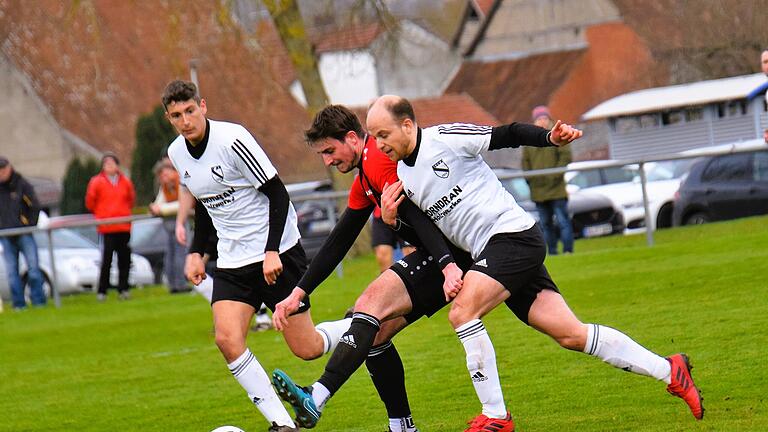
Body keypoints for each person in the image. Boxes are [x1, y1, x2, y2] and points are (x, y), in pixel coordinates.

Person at [368, 95, 703, 430]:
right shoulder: (403, 178)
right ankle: (670, 370)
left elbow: (507, 134)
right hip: (494, 254)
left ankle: (496, 416)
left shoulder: (446, 139)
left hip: (512, 237)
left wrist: (548, 139)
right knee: (572, 335)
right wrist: (394, 222)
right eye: (374, 137)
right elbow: (429, 234)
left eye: (383, 134)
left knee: (462, 312)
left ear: (407, 125)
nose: (380, 144)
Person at [162, 80, 351, 432]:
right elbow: (205, 205)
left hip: (276, 253)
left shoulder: (233, 139)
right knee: (227, 339)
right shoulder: (177, 153)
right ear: (169, 118)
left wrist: (271, 250)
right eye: (177, 115)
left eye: (190, 111)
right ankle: (282, 424)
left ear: (202, 106)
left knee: (307, 348)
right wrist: (196, 253)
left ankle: (361, 325)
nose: (185, 120)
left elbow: (278, 195)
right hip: (233, 260)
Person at [269, 104, 470, 432]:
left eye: (330, 151)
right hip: (446, 254)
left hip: (449, 254)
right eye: (322, 154)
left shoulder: (375, 158)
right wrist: (298, 294)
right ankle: (401, 426)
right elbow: (339, 240)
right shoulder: (364, 177)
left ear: (351, 138)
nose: (328, 161)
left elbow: (418, 215)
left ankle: (315, 397)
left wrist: (447, 264)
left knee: (366, 310)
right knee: (373, 334)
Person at [522, 105, 573, 255]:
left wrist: (553, 176)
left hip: (557, 189)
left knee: (563, 221)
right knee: (545, 224)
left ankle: (568, 251)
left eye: (544, 118)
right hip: (538, 191)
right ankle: (552, 251)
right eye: (539, 119)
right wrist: (531, 180)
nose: (542, 122)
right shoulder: (528, 139)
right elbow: (525, 163)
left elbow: (565, 157)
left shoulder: (558, 135)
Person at [85, 152, 135, 301]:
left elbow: (131, 199)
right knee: (106, 260)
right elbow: (90, 202)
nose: (109, 167)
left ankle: (123, 289)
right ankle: (102, 290)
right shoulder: (96, 182)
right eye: (106, 164)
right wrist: (102, 215)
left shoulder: (125, 181)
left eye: (112, 163)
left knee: (124, 260)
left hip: (123, 226)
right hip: (107, 227)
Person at [0, 156, 46, 310]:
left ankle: (39, 301)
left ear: (9, 167)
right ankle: (19, 305)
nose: (1, 172)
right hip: (6, 236)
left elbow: (34, 205)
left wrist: (28, 225)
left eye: (3, 168)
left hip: (24, 233)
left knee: (33, 269)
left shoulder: (21, 184)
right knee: (12, 273)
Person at [149, 160, 190, 294]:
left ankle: (178, 283)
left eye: (166, 173)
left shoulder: (180, 182)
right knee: (174, 254)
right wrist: (157, 208)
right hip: (173, 222)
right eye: (161, 175)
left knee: (178, 254)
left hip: (179, 220)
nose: (164, 177)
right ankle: (177, 284)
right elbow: (160, 204)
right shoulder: (165, 186)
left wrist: (161, 208)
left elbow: (181, 204)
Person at [370, 206, 414, 273]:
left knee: (411, 255)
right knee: (382, 254)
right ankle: (391, 282)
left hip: (403, 211)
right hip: (380, 213)